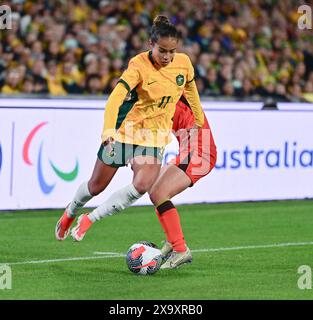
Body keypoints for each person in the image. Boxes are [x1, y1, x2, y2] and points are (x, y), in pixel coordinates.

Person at [55, 15, 205, 242]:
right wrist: (108, 130)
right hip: (126, 132)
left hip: (154, 137)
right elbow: (115, 98)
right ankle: (70, 212)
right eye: (162, 50)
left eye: (172, 51)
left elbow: (191, 91)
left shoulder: (183, 63)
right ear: (150, 45)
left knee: (143, 185)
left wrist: (199, 121)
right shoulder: (138, 65)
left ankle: (90, 219)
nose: (167, 56)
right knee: (96, 187)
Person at [149, 95, 217, 269]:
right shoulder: (158, 100)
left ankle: (180, 249)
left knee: (159, 192)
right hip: (187, 151)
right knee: (153, 188)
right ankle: (172, 241)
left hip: (200, 152)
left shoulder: (174, 88)